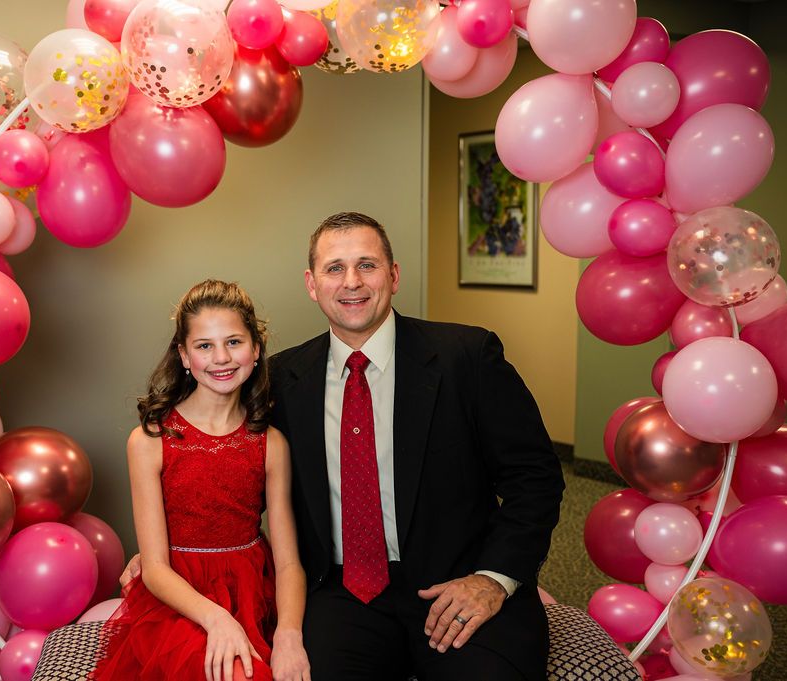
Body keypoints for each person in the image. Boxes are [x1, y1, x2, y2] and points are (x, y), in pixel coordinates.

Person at [267, 212, 565, 680]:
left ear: (394, 275)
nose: (352, 282)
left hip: (458, 581)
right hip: (342, 593)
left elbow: (536, 478)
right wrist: (174, 544)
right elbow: (236, 472)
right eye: (334, 268)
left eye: (367, 265)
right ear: (312, 283)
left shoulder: (467, 356)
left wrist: (493, 579)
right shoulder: (282, 378)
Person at [93, 280, 311, 681]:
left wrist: (289, 635)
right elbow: (155, 567)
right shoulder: (150, 440)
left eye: (234, 342)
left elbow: (289, 562)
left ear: (256, 348)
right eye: (204, 345)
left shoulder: (270, 443)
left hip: (252, 591)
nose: (221, 358)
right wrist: (218, 620)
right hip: (179, 598)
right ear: (184, 355)